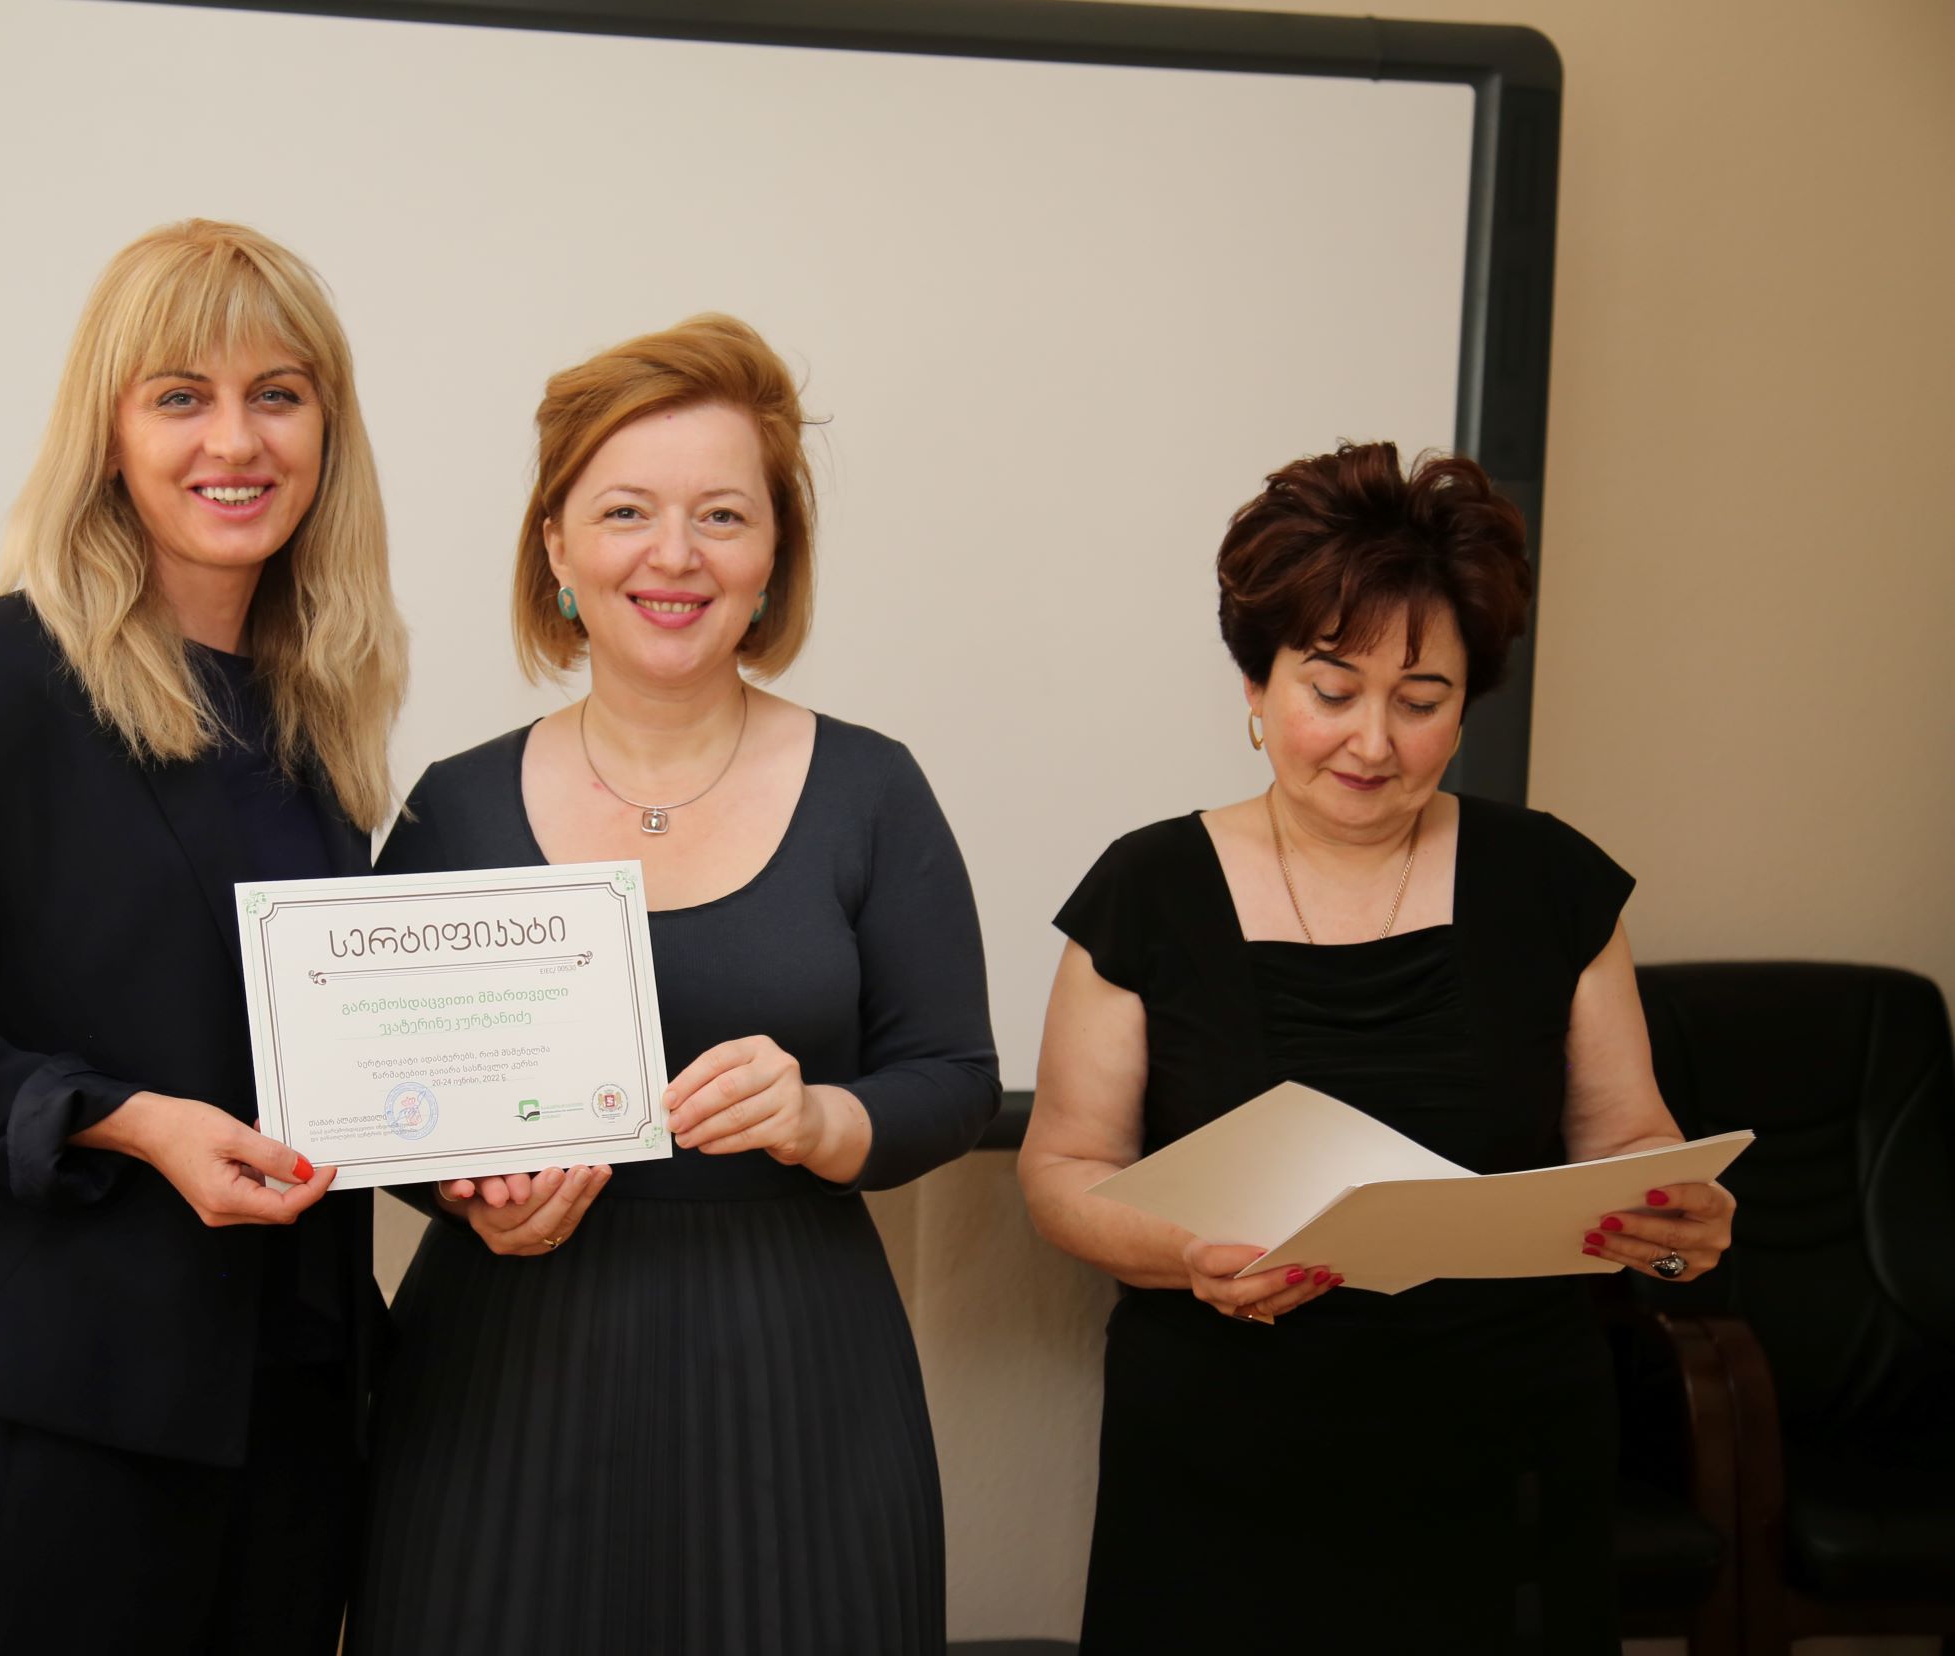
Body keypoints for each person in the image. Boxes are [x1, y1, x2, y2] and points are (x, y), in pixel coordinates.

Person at [0, 219, 407, 1655]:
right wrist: (131, 1121)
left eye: (278, 394)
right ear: (111, 435)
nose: (235, 440)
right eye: (181, 396)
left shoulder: (320, 713)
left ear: (326, 430)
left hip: (302, 1400)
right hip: (81, 1397)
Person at [346, 315, 998, 1656]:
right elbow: (376, 1097)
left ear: (774, 554)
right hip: (500, 1374)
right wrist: (463, 1188)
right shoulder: (455, 807)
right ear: (557, 547)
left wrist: (823, 1117)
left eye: (723, 515)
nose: (675, 555)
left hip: (795, 1369)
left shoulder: (872, 789)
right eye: (627, 511)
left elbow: (953, 1079)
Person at [1018, 442, 1738, 1654]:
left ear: (1466, 704)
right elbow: (1063, 1169)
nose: (1372, 741)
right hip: (1223, 1460)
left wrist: (1673, 1222)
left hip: (1505, 1454)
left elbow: (1628, 1136)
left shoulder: (1550, 882)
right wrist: (1191, 1252)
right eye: (1332, 689)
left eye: (1421, 700)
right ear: (1256, 686)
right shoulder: (1149, 888)